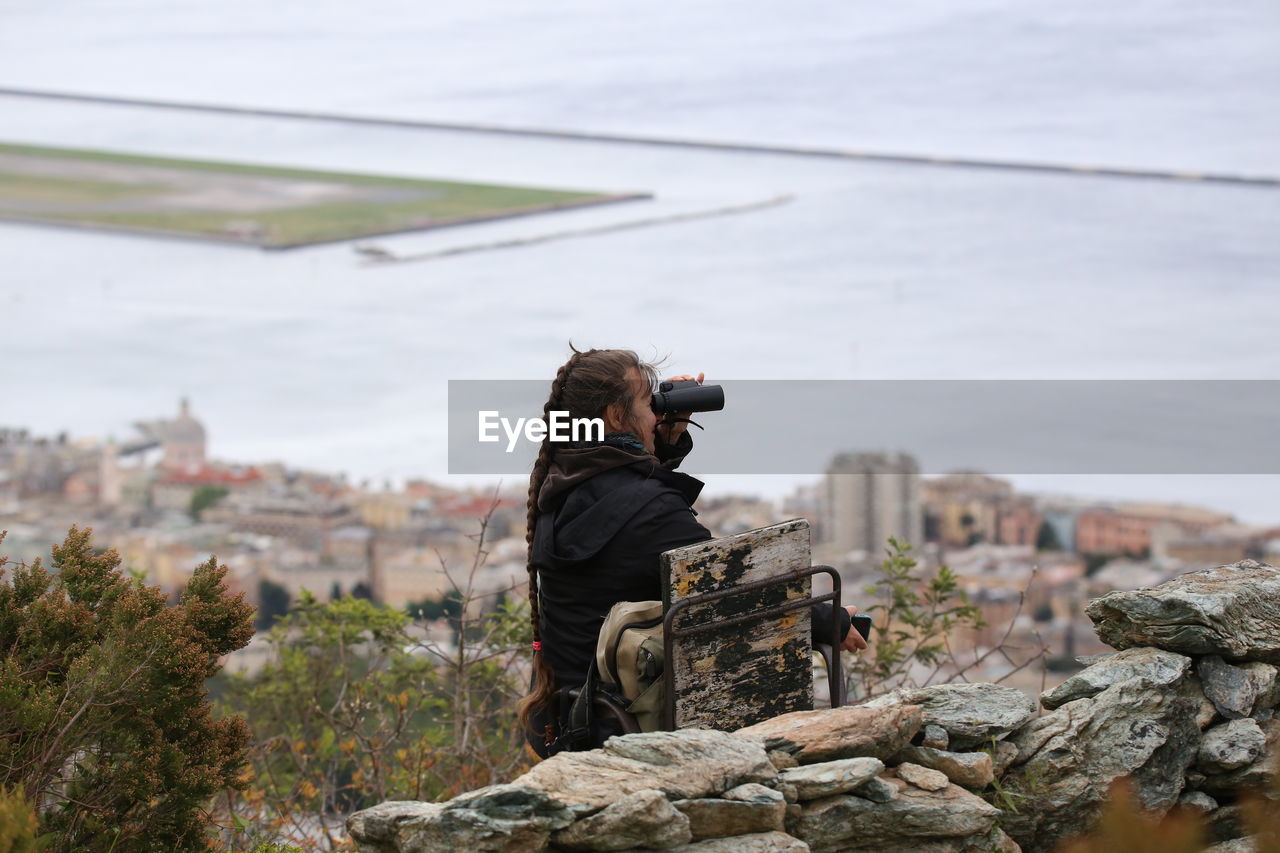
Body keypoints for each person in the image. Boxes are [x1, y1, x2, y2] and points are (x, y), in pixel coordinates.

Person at [518, 347, 867, 757]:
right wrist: (827, 619)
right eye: (649, 404)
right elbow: (729, 591)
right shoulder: (646, 509)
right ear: (615, 416)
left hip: (571, 717)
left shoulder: (562, 485)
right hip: (625, 728)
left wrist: (663, 442)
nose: (656, 415)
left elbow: (626, 516)